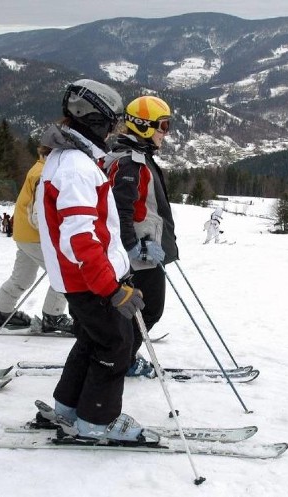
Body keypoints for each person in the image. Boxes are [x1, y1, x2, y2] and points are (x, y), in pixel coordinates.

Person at [36, 79, 155, 443]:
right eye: (112, 122)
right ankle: (96, 420)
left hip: (82, 278)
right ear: (96, 122)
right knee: (115, 344)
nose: (116, 130)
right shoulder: (75, 168)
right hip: (90, 279)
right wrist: (112, 288)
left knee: (91, 340)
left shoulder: (71, 159)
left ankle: (68, 408)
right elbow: (80, 238)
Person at [106, 95, 179, 377]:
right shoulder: (131, 164)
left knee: (141, 311)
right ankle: (120, 358)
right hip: (141, 255)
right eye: (163, 126)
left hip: (148, 249)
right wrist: (133, 247)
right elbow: (119, 211)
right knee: (148, 310)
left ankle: (121, 355)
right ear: (145, 127)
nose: (165, 133)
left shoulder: (137, 158)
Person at [0, 145, 72, 332]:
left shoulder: (39, 168)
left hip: (25, 235)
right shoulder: (44, 173)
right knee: (65, 273)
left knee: (22, 277)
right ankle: (54, 316)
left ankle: (2, 310)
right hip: (36, 236)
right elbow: (38, 214)